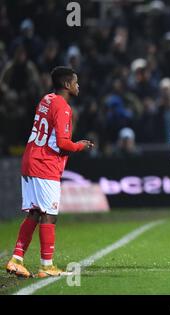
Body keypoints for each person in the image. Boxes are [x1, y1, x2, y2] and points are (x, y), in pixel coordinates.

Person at [5, 66, 94, 278]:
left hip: (30, 160)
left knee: (35, 212)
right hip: (45, 165)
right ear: (66, 85)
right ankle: (46, 266)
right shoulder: (63, 107)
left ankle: (17, 259)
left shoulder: (46, 99)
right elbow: (63, 143)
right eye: (75, 81)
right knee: (49, 215)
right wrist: (80, 145)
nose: (78, 85)